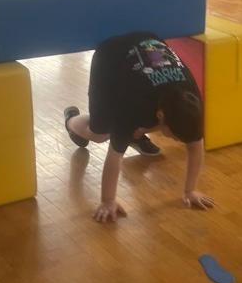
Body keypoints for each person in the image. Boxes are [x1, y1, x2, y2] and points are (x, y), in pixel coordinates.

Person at [63, 32, 214, 223]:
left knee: (137, 125)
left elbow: (195, 146)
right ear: (161, 115)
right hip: (111, 57)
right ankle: (71, 120)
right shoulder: (133, 107)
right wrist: (108, 200)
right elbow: (114, 157)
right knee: (100, 134)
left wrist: (190, 190)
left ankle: (136, 134)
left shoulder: (190, 107)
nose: (177, 140)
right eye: (175, 136)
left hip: (149, 44)